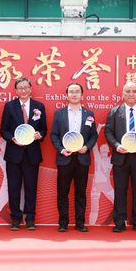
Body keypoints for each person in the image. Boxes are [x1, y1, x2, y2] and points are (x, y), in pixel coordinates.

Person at [104, 82, 136, 233]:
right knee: (120, 190)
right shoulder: (114, 111)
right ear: (123, 93)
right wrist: (116, 145)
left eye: (134, 91)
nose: (131, 94)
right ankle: (119, 222)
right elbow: (108, 132)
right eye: (128, 91)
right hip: (121, 156)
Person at [0, 77, 47, 231]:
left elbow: (44, 128)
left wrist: (41, 135)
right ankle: (15, 218)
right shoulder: (9, 106)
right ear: (16, 90)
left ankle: (30, 218)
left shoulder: (39, 106)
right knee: (13, 187)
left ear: (31, 89)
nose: (23, 90)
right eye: (20, 88)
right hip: (14, 153)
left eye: (26, 87)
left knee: (31, 187)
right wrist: (12, 138)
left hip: (32, 153)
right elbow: (3, 129)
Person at [50, 82, 98, 232]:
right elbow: (54, 135)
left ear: (82, 95)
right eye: (71, 92)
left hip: (82, 158)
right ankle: (63, 223)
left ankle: (80, 223)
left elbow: (94, 135)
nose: (74, 94)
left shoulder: (89, 114)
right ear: (67, 95)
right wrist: (61, 149)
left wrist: (87, 147)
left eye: (77, 92)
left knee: (81, 192)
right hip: (65, 157)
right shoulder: (59, 113)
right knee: (63, 192)